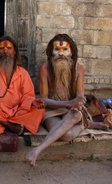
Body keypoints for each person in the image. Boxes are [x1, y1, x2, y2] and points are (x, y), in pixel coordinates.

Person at [25, 34, 107, 166]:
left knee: (74, 118)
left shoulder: (79, 68)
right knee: (66, 135)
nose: (61, 54)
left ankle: (37, 150)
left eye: (65, 50)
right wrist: (68, 103)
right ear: (51, 52)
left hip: (73, 110)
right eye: (57, 49)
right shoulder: (45, 69)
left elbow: (80, 96)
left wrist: (78, 102)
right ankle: (84, 125)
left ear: (72, 52)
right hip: (52, 110)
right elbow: (44, 99)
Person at [0, 36, 45, 135]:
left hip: (16, 112)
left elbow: (28, 95)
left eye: (9, 48)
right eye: (1, 48)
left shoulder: (22, 73)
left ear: (15, 51)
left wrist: (32, 101)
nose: (5, 51)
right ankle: (10, 125)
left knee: (39, 111)